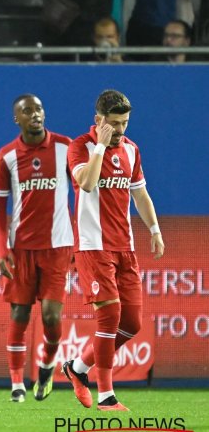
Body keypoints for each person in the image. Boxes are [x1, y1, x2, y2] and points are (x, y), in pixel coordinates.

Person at [63, 89, 164, 412]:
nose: (120, 129)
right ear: (99, 120)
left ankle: (77, 368)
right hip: (93, 247)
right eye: (114, 123)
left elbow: (141, 195)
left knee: (131, 323)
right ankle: (106, 394)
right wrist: (101, 148)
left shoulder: (132, 150)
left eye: (125, 123)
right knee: (108, 317)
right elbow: (89, 184)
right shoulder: (81, 147)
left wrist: (155, 229)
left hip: (125, 247)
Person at [0, 94, 73, 403]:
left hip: (57, 247)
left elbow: (82, 193)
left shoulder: (66, 148)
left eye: (38, 108)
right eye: (27, 111)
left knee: (51, 316)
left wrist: (79, 237)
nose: (35, 114)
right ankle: (16, 383)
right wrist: (2, 250)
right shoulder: (7, 156)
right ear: (17, 119)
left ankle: (47, 365)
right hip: (22, 249)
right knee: (19, 314)